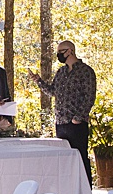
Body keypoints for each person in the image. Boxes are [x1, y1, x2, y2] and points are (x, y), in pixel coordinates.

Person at [37, 39, 97, 182]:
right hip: (61, 122)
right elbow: (53, 92)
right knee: (65, 158)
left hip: (76, 123)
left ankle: (85, 188)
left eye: (60, 52)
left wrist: (78, 117)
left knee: (80, 157)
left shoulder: (85, 71)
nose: (59, 55)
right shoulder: (61, 72)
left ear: (70, 51)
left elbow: (89, 96)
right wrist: (39, 81)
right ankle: (69, 186)